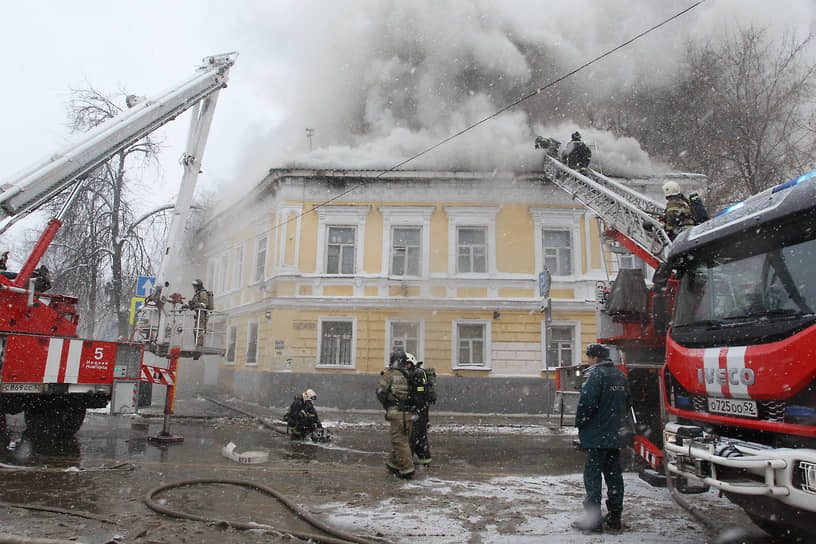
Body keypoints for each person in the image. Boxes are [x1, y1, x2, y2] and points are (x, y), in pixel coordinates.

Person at [572, 343, 633, 533]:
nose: (588, 361)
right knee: (614, 475)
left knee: (592, 476)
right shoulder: (621, 376)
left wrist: (580, 422)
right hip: (615, 435)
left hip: (597, 435)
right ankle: (615, 517)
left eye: (589, 357)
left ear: (595, 358)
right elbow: (628, 402)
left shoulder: (594, 374)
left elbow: (587, 402)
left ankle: (593, 520)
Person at [376, 348, 415, 479]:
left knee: (399, 441)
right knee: (403, 440)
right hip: (409, 414)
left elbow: (380, 392)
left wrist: (386, 405)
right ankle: (393, 465)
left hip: (396, 413)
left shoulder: (390, 375)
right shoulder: (408, 375)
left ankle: (407, 470)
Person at [409, 356, 436, 466]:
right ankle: (424, 459)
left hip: (419, 410)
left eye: (407, 363)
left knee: (414, 435)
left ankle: (405, 459)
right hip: (420, 410)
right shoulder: (417, 373)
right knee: (420, 435)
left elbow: (420, 390)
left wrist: (413, 400)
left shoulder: (418, 373)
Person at [187, 279, 211, 350]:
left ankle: (199, 345)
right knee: (195, 330)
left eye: (195, 286)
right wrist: (187, 305)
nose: (194, 288)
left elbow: (204, 304)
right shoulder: (197, 294)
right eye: (194, 286)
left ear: (199, 286)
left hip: (203, 314)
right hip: (198, 314)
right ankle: (196, 344)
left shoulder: (203, 293)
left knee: (199, 330)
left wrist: (196, 305)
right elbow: (193, 302)